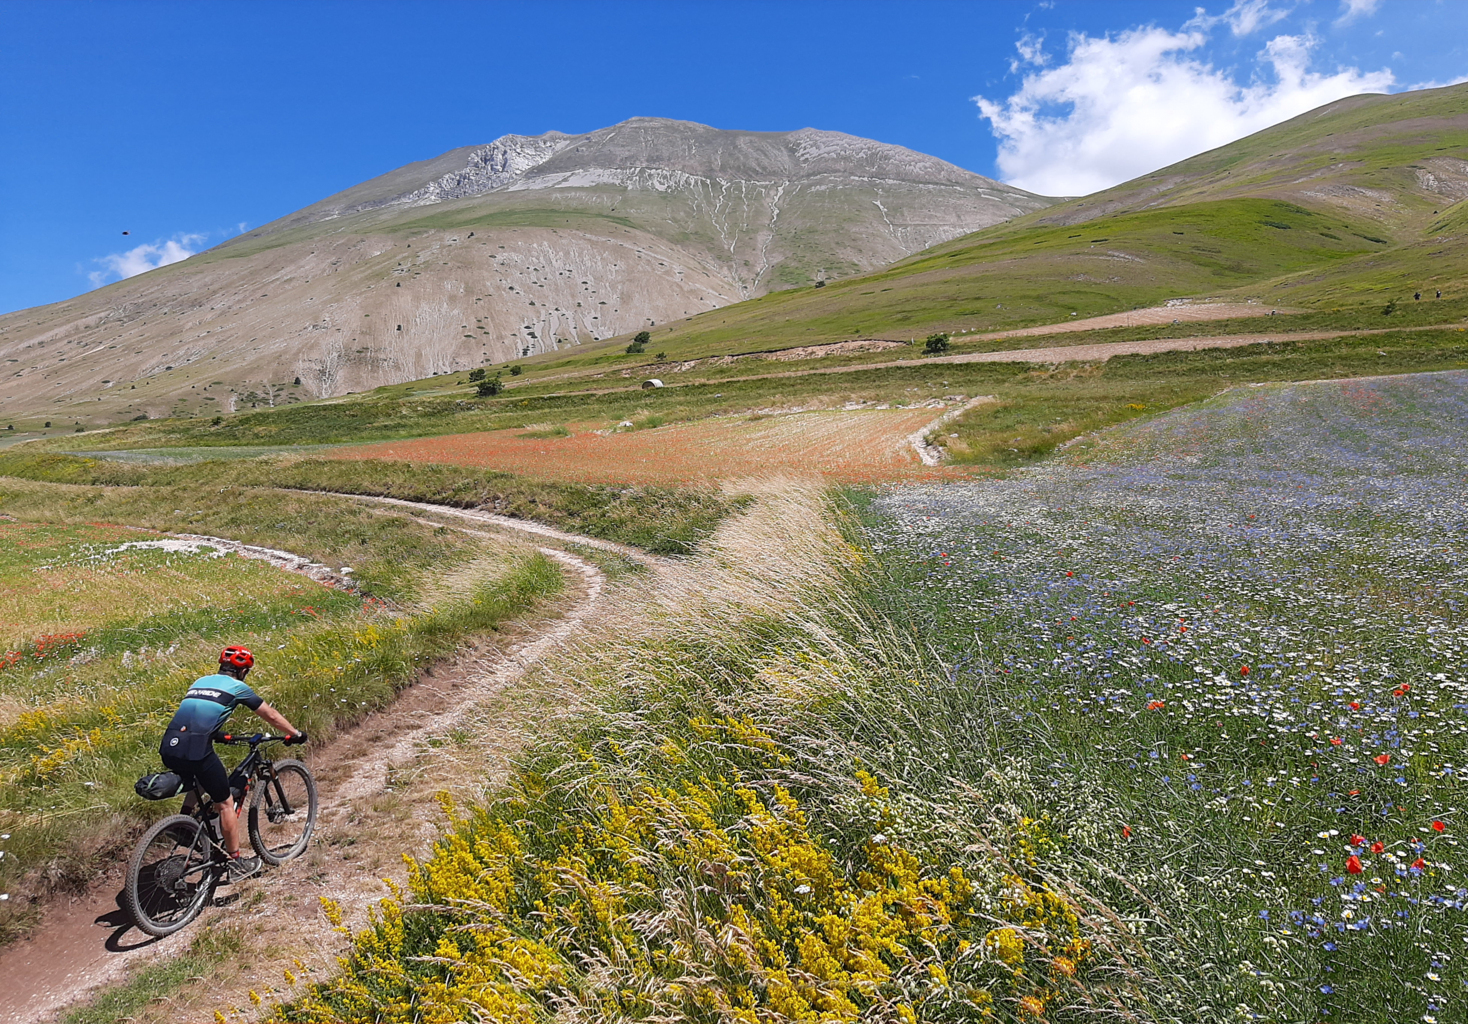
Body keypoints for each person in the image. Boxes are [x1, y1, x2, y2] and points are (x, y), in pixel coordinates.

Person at [159, 646, 306, 880]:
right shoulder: (238, 687)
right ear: (243, 672)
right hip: (197, 749)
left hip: (170, 745)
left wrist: (216, 733)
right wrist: (294, 733)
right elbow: (271, 715)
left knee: (201, 776)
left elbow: (196, 715)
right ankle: (235, 863)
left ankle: (184, 822)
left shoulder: (200, 682)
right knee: (225, 803)